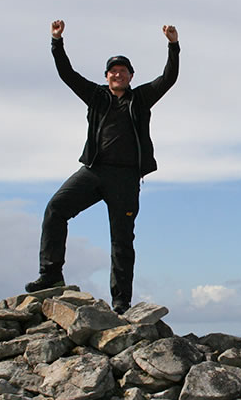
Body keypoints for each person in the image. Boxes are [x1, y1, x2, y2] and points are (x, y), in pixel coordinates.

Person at [26, 19, 180, 314]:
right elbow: (67, 75)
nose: (117, 74)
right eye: (113, 70)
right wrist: (56, 42)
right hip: (94, 171)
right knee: (55, 208)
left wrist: (173, 46)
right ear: (107, 76)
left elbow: (168, 78)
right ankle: (51, 275)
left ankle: (121, 301)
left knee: (122, 240)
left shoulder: (141, 99)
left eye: (122, 71)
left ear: (131, 76)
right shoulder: (96, 96)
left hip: (125, 178)